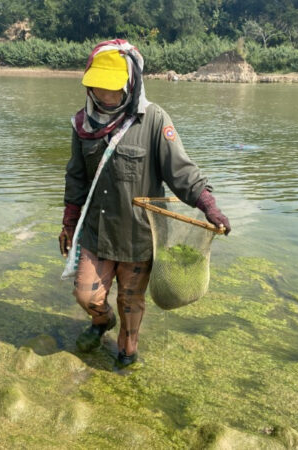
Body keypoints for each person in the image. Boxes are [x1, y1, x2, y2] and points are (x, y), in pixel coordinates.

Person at [60, 39, 231, 368]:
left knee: (130, 301)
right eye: (97, 87)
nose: (104, 95)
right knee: (86, 295)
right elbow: (76, 177)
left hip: (140, 235)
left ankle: (128, 349)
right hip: (97, 231)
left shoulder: (153, 120)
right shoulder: (82, 124)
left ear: (130, 83)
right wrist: (69, 222)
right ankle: (100, 322)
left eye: (111, 88)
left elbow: (181, 172)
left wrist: (209, 206)